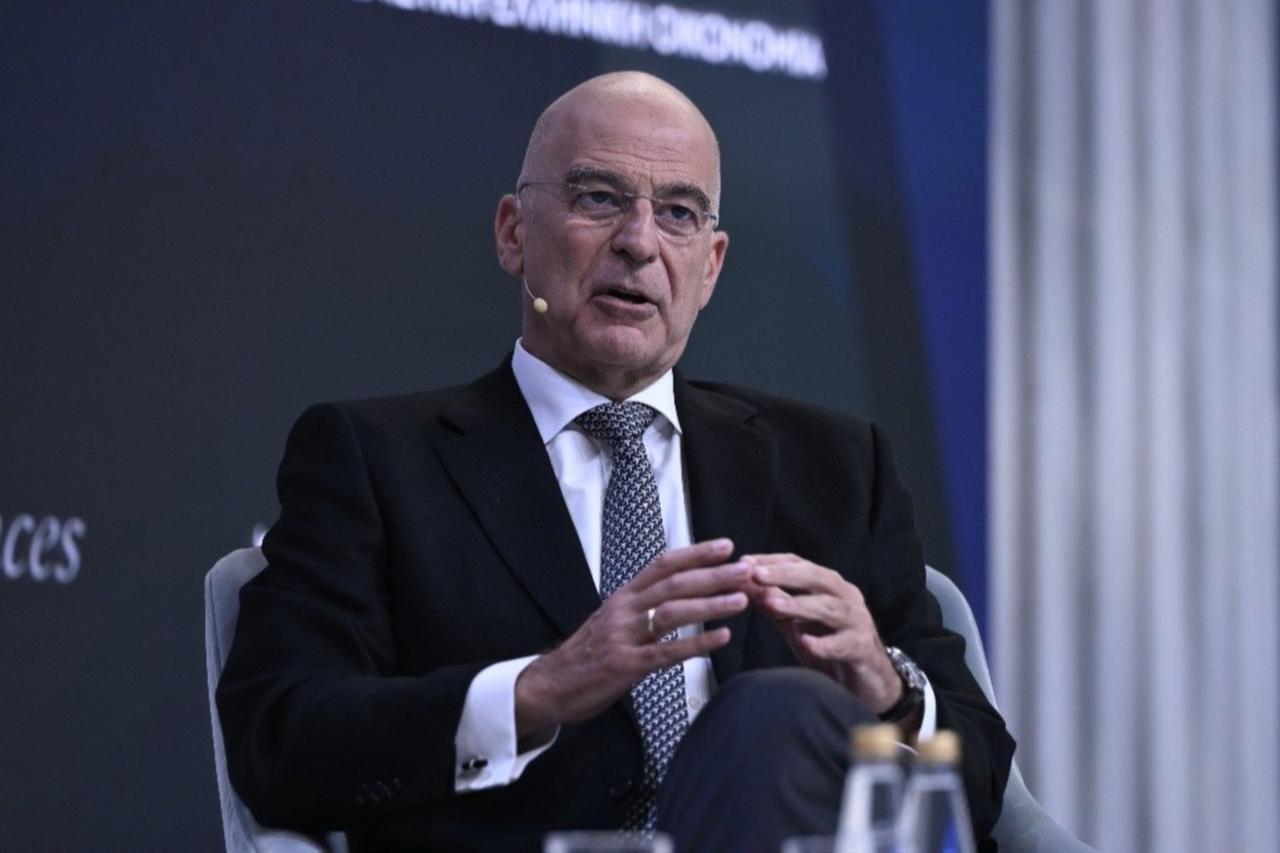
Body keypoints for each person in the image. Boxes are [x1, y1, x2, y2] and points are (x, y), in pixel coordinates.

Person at [217, 71, 1014, 852]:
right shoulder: (376, 460)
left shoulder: (836, 467)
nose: (638, 242)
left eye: (678, 214)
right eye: (599, 198)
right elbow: (279, 737)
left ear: (711, 266)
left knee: (777, 712)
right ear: (513, 233)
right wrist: (535, 689)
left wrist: (888, 691)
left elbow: (981, 780)